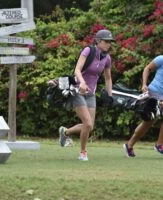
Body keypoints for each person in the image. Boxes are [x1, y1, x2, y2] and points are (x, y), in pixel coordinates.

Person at [59, 29, 114, 161]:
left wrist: (110, 95)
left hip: (91, 94)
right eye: (106, 41)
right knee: (87, 123)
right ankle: (83, 152)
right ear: (98, 41)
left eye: (110, 42)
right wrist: (82, 82)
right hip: (78, 91)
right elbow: (77, 70)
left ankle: (65, 132)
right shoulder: (88, 51)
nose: (109, 44)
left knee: (89, 126)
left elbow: (108, 78)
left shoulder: (107, 58)